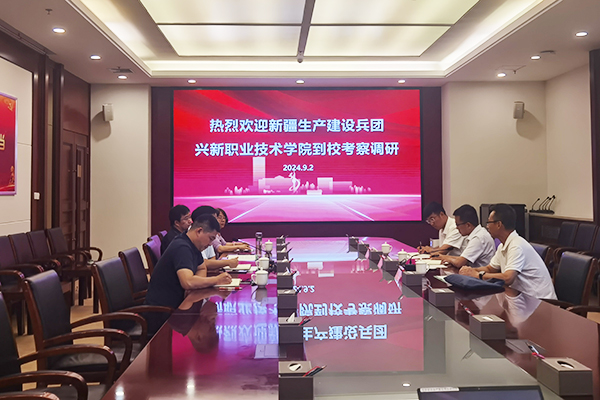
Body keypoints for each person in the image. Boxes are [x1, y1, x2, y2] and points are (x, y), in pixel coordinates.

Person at [458, 204, 557, 300]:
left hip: (541, 302)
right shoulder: (503, 245)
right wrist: (471, 271)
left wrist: (478, 275)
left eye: (489, 222)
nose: (487, 226)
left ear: (498, 224)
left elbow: (508, 278)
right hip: (521, 297)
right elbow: (490, 268)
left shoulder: (516, 245)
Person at [146, 213, 232, 310]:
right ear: (199, 231)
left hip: (180, 303)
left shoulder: (192, 244)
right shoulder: (182, 247)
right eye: (210, 238)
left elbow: (202, 267)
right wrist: (216, 280)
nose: (210, 244)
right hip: (164, 310)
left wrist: (198, 283)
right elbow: (187, 282)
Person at [434, 204, 495, 269]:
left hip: (481, 274)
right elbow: (463, 258)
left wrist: (443, 257)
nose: (456, 228)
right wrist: (448, 259)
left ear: (468, 225)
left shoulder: (478, 238)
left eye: (458, 225)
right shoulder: (476, 234)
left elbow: (460, 262)